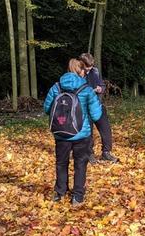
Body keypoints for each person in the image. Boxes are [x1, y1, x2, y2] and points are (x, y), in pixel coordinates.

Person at [43, 58, 103, 205]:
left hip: (61, 133)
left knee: (61, 163)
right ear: (81, 71)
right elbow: (96, 115)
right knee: (80, 164)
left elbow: (46, 109)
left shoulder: (56, 87)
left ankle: (60, 192)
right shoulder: (87, 89)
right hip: (82, 134)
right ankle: (77, 196)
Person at [79, 52, 118, 163]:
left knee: (106, 128)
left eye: (91, 67)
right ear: (81, 64)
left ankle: (106, 153)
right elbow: (77, 90)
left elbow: (102, 84)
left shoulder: (95, 71)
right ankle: (89, 154)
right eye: (87, 67)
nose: (89, 70)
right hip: (84, 107)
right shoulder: (76, 73)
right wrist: (91, 90)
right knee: (88, 131)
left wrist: (101, 88)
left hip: (97, 105)